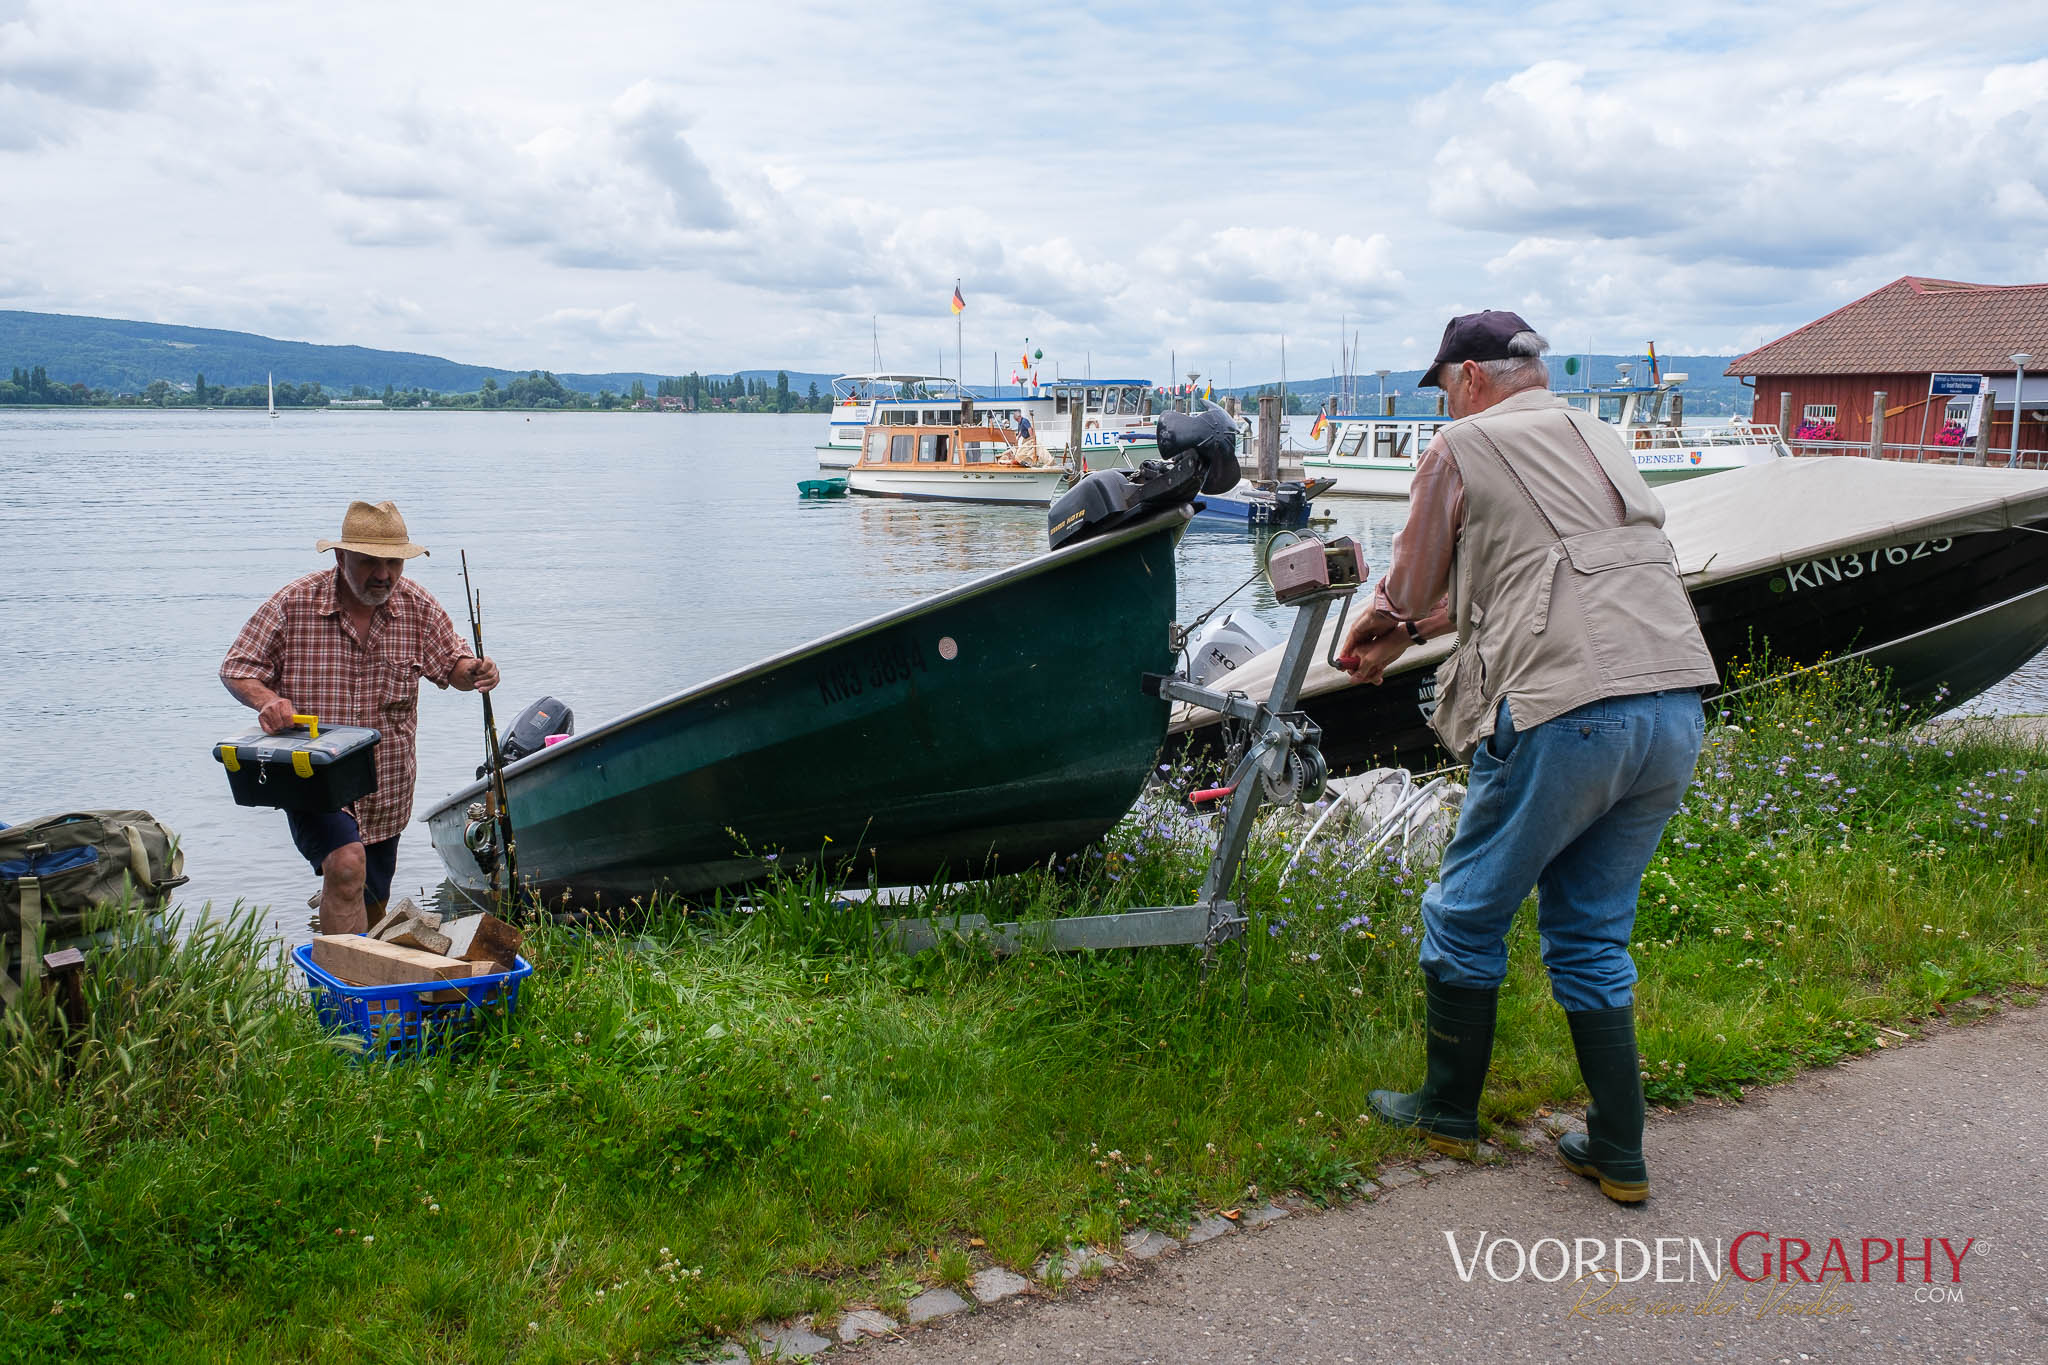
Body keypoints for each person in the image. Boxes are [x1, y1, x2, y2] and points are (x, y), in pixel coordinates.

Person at [1337, 312, 1718, 1204]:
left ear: (1468, 377)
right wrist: (1420, 631)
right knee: (1590, 932)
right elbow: (1541, 569)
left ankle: (1446, 1112)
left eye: (1442, 389)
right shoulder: (1602, 433)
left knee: (1465, 911)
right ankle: (1620, 1151)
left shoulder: (1462, 445)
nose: (1444, 405)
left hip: (1562, 712)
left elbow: (1419, 583)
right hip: (1672, 702)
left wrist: (1380, 623)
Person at [220, 500, 499, 935]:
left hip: (386, 786)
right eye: (370, 562)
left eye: (393, 563)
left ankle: (354, 981)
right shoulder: (294, 603)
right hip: (313, 777)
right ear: (340, 557)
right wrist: (266, 701)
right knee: (348, 864)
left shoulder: (418, 607)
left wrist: (477, 671)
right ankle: (338, 993)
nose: (384, 574)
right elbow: (238, 667)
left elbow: (454, 665)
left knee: (370, 899)